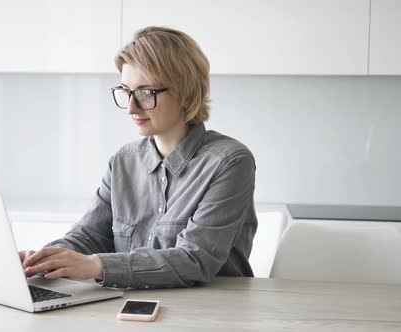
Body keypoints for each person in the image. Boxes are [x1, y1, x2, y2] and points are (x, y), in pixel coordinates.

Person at [19, 26, 257, 289]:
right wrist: (43, 259)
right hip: (131, 306)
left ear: (187, 96)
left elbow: (195, 259)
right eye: (126, 91)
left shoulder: (230, 162)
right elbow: (88, 236)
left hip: (213, 313)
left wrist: (97, 266)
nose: (131, 107)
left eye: (146, 93)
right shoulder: (123, 161)